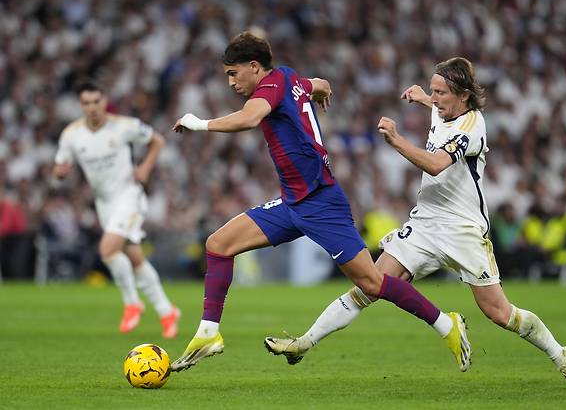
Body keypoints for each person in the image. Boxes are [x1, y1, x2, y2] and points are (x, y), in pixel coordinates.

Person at [264, 57, 566, 391]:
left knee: (499, 313)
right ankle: (305, 343)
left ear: (463, 95)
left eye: (440, 93)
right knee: (370, 284)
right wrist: (421, 96)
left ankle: (562, 355)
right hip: (425, 224)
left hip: (462, 230)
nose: (435, 99)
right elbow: (433, 106)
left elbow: (435, 165)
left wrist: (395, 138)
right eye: (433, 91)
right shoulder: (442, 107)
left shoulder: (471, 127)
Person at [169, 31, 468, 372]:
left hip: (322, 203)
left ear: (254, 67)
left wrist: (198, 123)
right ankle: (209, 334)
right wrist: (323, 91)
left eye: (233, 73)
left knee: (370, 282)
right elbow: (319, 83)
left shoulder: (270, 87)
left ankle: (447, 325)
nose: (230, 82)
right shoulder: (288, 77)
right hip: (292, 203)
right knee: (218, 244)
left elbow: (249, 118)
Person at [53, 80, 180, 338]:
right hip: (104, 204)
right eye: (86, 103)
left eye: (96, 101)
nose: (92, 107)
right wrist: (60, 172)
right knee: (134, 258)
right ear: (81, 104)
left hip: (128, 196)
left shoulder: (124, 126)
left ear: (104, 101)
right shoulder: (71, 135)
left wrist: (144, 168)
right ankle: (167, 311)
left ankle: (132, 303)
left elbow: (157, 140)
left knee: (107, 249)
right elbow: (59, 169)